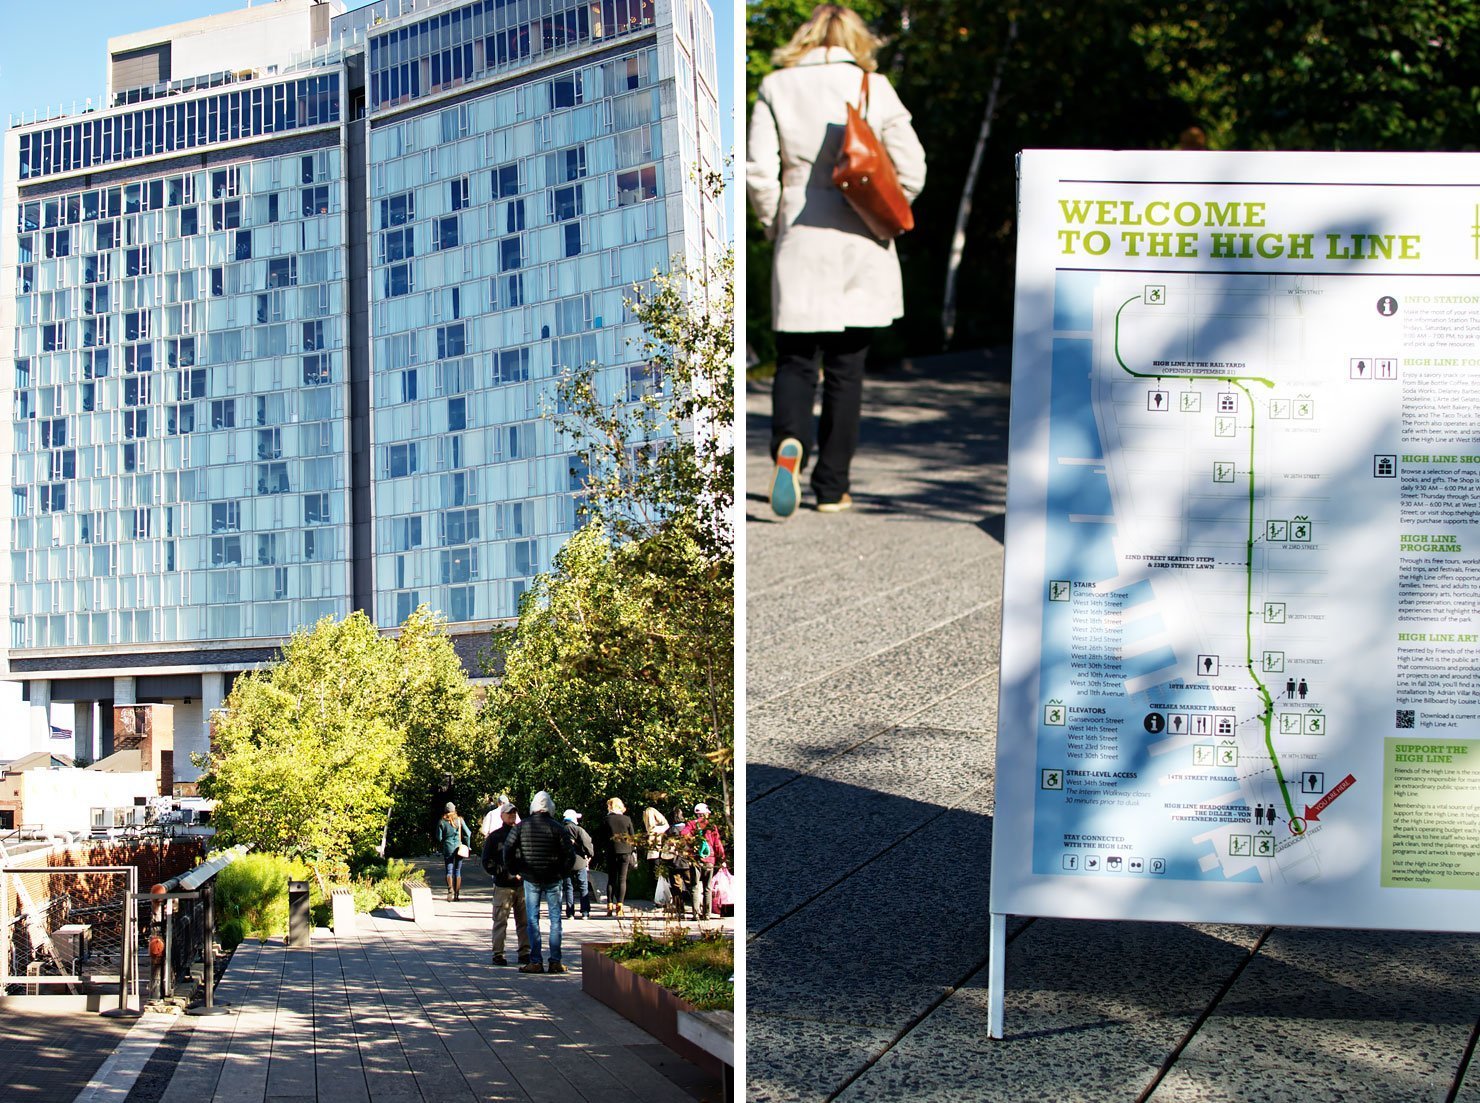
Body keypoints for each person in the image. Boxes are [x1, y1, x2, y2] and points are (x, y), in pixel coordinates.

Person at [747, 3, 927, 518]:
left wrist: (773, 223)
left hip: (800, 236)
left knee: (796, 360)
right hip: (860, 242)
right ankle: (832, 488)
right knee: (847, 368)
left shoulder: (777, 86)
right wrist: (885, 206)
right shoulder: (873, 87)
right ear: (854, 39)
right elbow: (912, 168)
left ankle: (788, 444)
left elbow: (760, 172)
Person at [503, 790, 574, 974]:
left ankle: (535, 961)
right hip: (553, 878)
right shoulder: (557, 827)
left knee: (532, 920)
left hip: (531, 878)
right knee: (555, 920)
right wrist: (562, 873)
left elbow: (508, 848)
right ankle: (555, 961)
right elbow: (569, 855)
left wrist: (515, 870)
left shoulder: (521, 826)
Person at [480, 802, 529, 967]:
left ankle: (525, 952)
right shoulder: (495, 837)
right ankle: (498, 954)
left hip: (521, 885)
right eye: (509, 814)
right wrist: (502, 871)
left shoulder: (523, 835)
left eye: (514, 813)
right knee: (500, 921)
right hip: (503, 886)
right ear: (502, 816)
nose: (512, 816)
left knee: (524, 921)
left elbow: (528, 857)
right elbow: (486, 861)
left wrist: (525, 873)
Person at [680, 802, 726, 921]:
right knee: (708, 888)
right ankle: (707, 914)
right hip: (710, 859)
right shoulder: (711, 826)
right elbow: (717, 844)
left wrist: (692, 843)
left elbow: (683, 834)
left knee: (695, 887)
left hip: (695, 859)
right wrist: (722, 858)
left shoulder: (691, 824)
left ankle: (696, 914)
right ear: (705, 813)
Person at [604, 797, 635, 917]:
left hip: (611, 851)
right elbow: (632, 836)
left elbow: (601, 836)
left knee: (611, 878)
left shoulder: (606, 819)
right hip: (625, 851)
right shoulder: (626, 819)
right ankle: (620, 906)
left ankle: (610, 905)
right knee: (622, 879)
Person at [562, 809, 594, 921]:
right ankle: (585, 912)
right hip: (579, 861)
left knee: (569, 888)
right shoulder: (579, 829)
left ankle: (570, 913)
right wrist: (590, 854)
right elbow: (587, 843)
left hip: (566, 863)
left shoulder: (560, 829)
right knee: (583, 886)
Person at [437, 801, 471, 902]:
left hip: (448, 848)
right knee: (458, 871)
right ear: (454, 809)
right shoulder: (460, 820)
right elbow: (468, 834)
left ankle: (450, 891)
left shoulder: (442, 821)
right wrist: (468, 846)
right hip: (459, 848)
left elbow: (439, 837)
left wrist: (443, 841)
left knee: (449, 870)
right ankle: (457, 895)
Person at [642, 792, 671, 881]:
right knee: (656, 870)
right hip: (656, 845)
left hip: (658, 844)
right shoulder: (650, 810)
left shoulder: (652, 810)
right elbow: (651, 827)